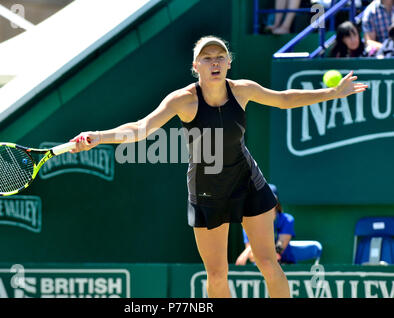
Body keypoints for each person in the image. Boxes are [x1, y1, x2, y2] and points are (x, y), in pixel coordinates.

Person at [69, 35, 367, 298]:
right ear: (195, 66)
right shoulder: (182, 101)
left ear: (228, 63)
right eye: (207, 58)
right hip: (207, 192)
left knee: (268, 262)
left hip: (247, 181)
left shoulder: (242, 90)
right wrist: (99, 137)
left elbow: (284, 99)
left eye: (220, 57)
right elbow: (140, 128)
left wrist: (331, 93)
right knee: (217, 274)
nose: (214, 62)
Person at [235, 184, 296, 266]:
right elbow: (252, 257)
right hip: (259, 266)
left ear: (277, 202)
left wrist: (251, 250)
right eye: (264, 200)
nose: (267, 204)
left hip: (285, 264)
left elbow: (279, 251)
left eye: (271, 200)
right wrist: (249, 250)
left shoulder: (287, 219)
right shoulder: (248, 223)